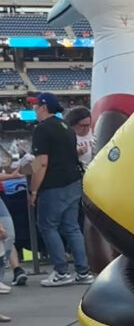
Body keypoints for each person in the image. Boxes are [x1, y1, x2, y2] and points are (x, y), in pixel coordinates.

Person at [29, 92, 94, 287]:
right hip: (73, 182)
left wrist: (33, 190)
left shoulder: (42, 129)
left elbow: (42, 162)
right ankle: (83, 272)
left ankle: (61, 272)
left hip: (53, 185)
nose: (34, 110)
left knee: (48, 226)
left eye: (36, 106)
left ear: (43, 107)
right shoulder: (65, 127)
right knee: (72, 228)